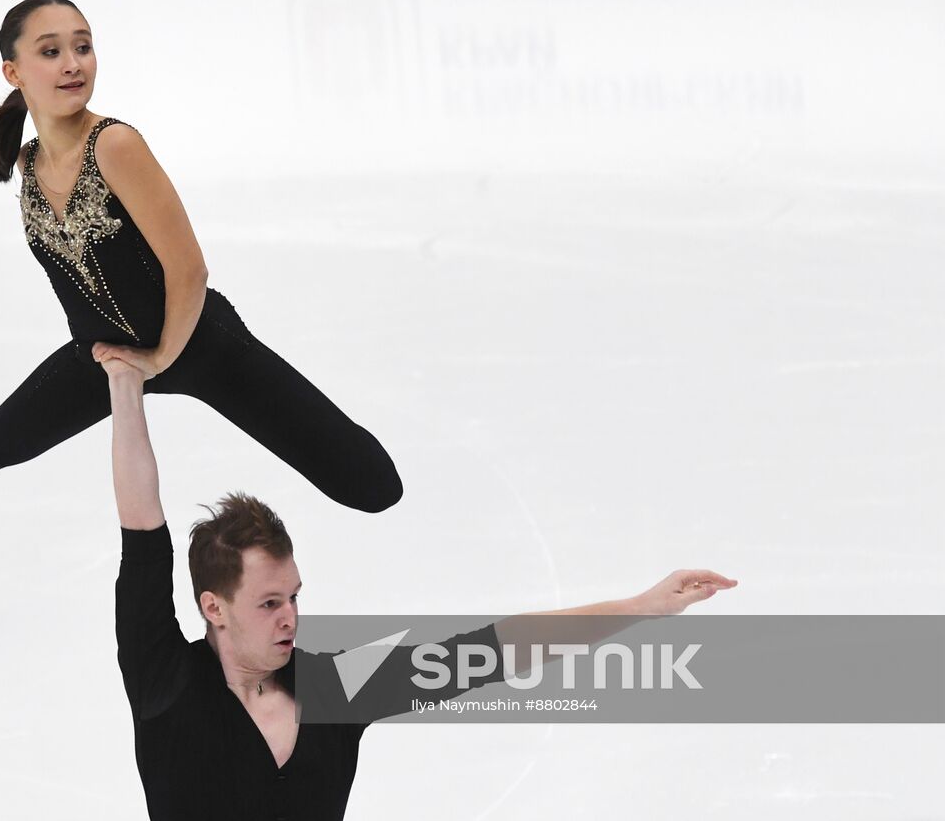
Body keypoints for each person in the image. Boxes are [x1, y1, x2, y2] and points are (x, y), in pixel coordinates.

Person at [0, 0, 402, 611]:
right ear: (14, 73)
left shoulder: (115, 146)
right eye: (52, 51)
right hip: (101, 358)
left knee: (371, 485)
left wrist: (155, 362)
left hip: (201, 343)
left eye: (83, 46)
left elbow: (189, 271)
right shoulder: (28, 164)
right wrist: (114, 367)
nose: (74, 62)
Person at [100, 348, 737, 820]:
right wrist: (125, 384)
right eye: (269, 603)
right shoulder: (165, 680)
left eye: (294, 596)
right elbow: (142, 527)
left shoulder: (334, 690)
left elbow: (489, 651)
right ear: (213, 607)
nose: (290, 616)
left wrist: (642, 607)